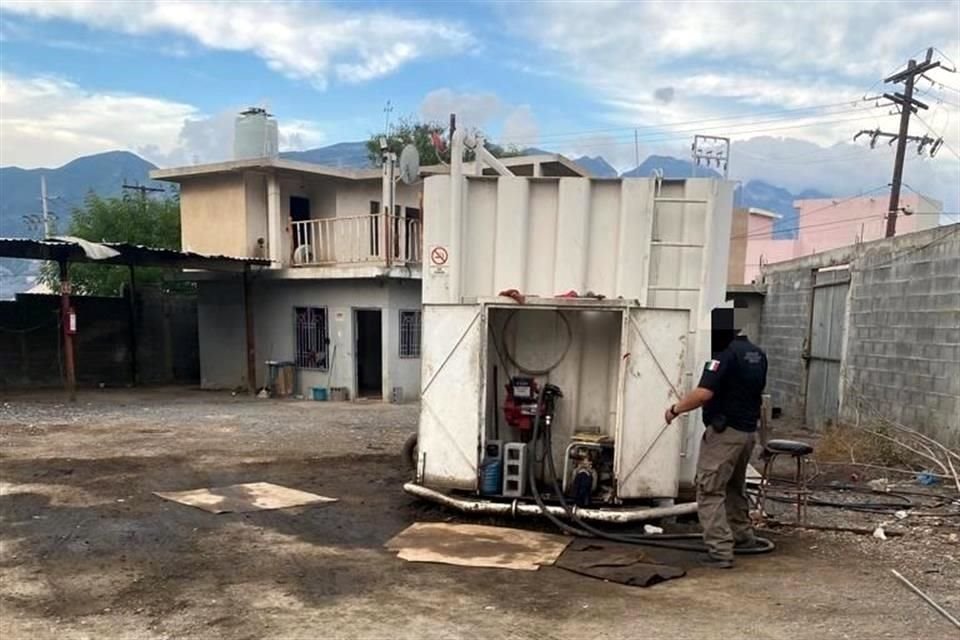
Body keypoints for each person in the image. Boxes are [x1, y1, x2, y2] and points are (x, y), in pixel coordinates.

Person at [664, 307, 768, 568]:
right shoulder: (757, 354)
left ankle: (720, 551)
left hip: (725, 434)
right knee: (733, 486)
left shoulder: (723, 354)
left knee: (709, 489)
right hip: (746, 433)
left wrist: (675, 409)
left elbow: (703, 394)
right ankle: (743, 536)